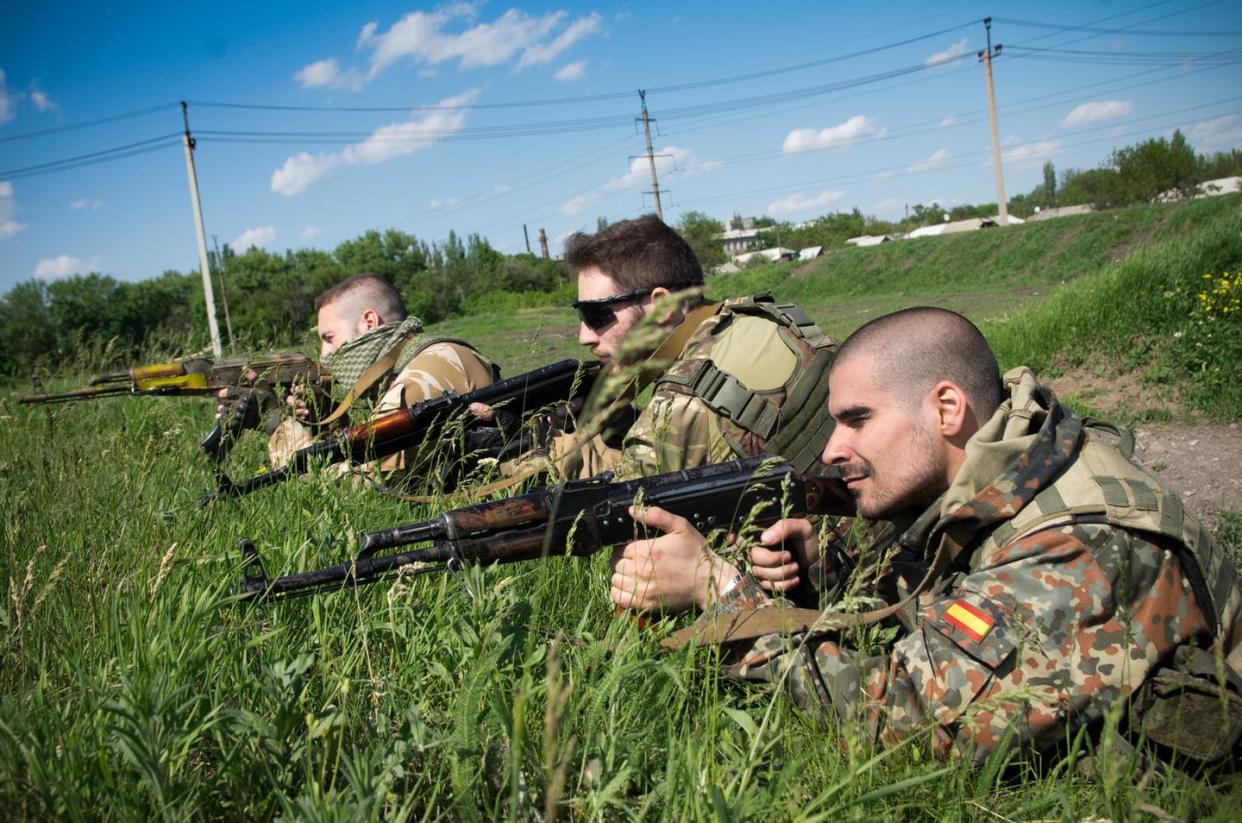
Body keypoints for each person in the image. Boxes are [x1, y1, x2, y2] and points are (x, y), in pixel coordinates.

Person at [618, 307, 1242, 763]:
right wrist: (821, 576)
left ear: (946, 409)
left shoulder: (1076, 544)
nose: (833, 449)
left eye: (857, 420)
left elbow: (909, 727)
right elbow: (939, 585)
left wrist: (720, 591)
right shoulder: (1007, 462)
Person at [511, 214, 840, 495]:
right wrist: (616, 416)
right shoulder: (757, 321)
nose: (585, 336)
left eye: (596, 316)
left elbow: (628, 501)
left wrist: (540, 446)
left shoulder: (686, 395)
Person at [217, 272, 498, 480]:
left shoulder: (424, 375)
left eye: (329, 338)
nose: (324, 354)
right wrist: (327, 421)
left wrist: (275, 423)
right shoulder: (421, 361)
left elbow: (363, 484)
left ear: (369, 322)